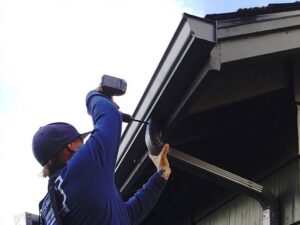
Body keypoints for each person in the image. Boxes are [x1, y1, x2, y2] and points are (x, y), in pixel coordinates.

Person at [32, 86, 171, 225]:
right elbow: (110, 115)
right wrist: (95, 95)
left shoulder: (52, 205)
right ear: (72, 146)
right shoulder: (80, 169)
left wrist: (161, 175)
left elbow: (127, 217)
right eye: (81, 141)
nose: (86, 145)